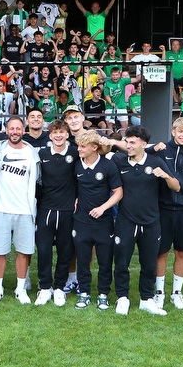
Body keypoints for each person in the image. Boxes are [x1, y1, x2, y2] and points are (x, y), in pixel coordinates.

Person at [104, 126, 180, 316]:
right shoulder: (118, 161)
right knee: (121, 261)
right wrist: (112, 142)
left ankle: (146, 299)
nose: (128, 146)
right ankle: (122, 297)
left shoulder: (156, 162)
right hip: (125, 221)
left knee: (149, 263)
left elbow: (176, 186)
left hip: (151, 222)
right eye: (127, 142)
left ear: (143, 145)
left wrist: (166, 176)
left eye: (132, 143)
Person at [148, 117, 183, 311]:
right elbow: (141, 156)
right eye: (180, 131)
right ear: (173, 132)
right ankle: (159, 293)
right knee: (161, 252)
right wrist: (151, 149)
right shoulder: (163, 150)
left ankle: (177, 293)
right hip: (163, 209)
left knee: (182, 252)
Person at [0, 115, 41, 305]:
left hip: (25, 210)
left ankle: (20, 289)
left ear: (23, 130)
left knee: (23, 251)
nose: (15, 132)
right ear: (6, 130)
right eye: (11, 128)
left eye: (18, 128)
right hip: (0, 208)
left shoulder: (32, 152)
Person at [72, 130, 122, 310]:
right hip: (81, 221)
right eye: (78, 146)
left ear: (95, 147)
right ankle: (84, 293)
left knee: (105, 260)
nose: (79, 149)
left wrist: (102, 208)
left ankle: (103, 294)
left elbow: (118, 192)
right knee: (83, 260)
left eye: (83, 146)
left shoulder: (108, 166)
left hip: (104, 222)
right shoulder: (77, 165)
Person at [34, 120, 79, 307]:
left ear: (67, 134)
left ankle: (59, 288)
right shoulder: (42, 153)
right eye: (55, 133)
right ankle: (45, 288)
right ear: (50, 135)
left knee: (65, 251)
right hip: (46, 209)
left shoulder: (76, 152)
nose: (58, 136)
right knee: (44, 250)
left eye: (62, 132)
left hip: (68, 210)